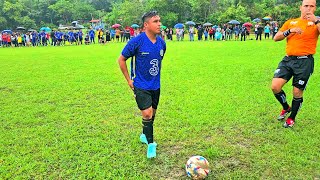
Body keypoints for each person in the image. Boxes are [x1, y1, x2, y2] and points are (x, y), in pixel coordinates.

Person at [118, 11, 166, 158]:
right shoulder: (136, 42)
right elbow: (121, 60)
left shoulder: (162, 43)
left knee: (152, 115)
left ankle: (145, 135)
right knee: (147, 113)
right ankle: (151, 145)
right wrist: (129, 80)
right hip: (140, 84)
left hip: (155, 85)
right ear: (146, 25)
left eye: (159, 21)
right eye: (155, 21)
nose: (159, 24)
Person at [272, 0, 320, 128]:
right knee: (275, 87)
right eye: (306, 6)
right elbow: (276, 37)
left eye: (311, 6)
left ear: (315, 8)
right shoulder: (291, 22)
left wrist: (316, 21)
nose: (308, 9)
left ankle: (291, 118)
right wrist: (290, 31)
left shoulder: (317, 22)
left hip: (305, 62)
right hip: (288, 60)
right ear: (301, 7)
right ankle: (286, 107)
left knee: (297, 92)